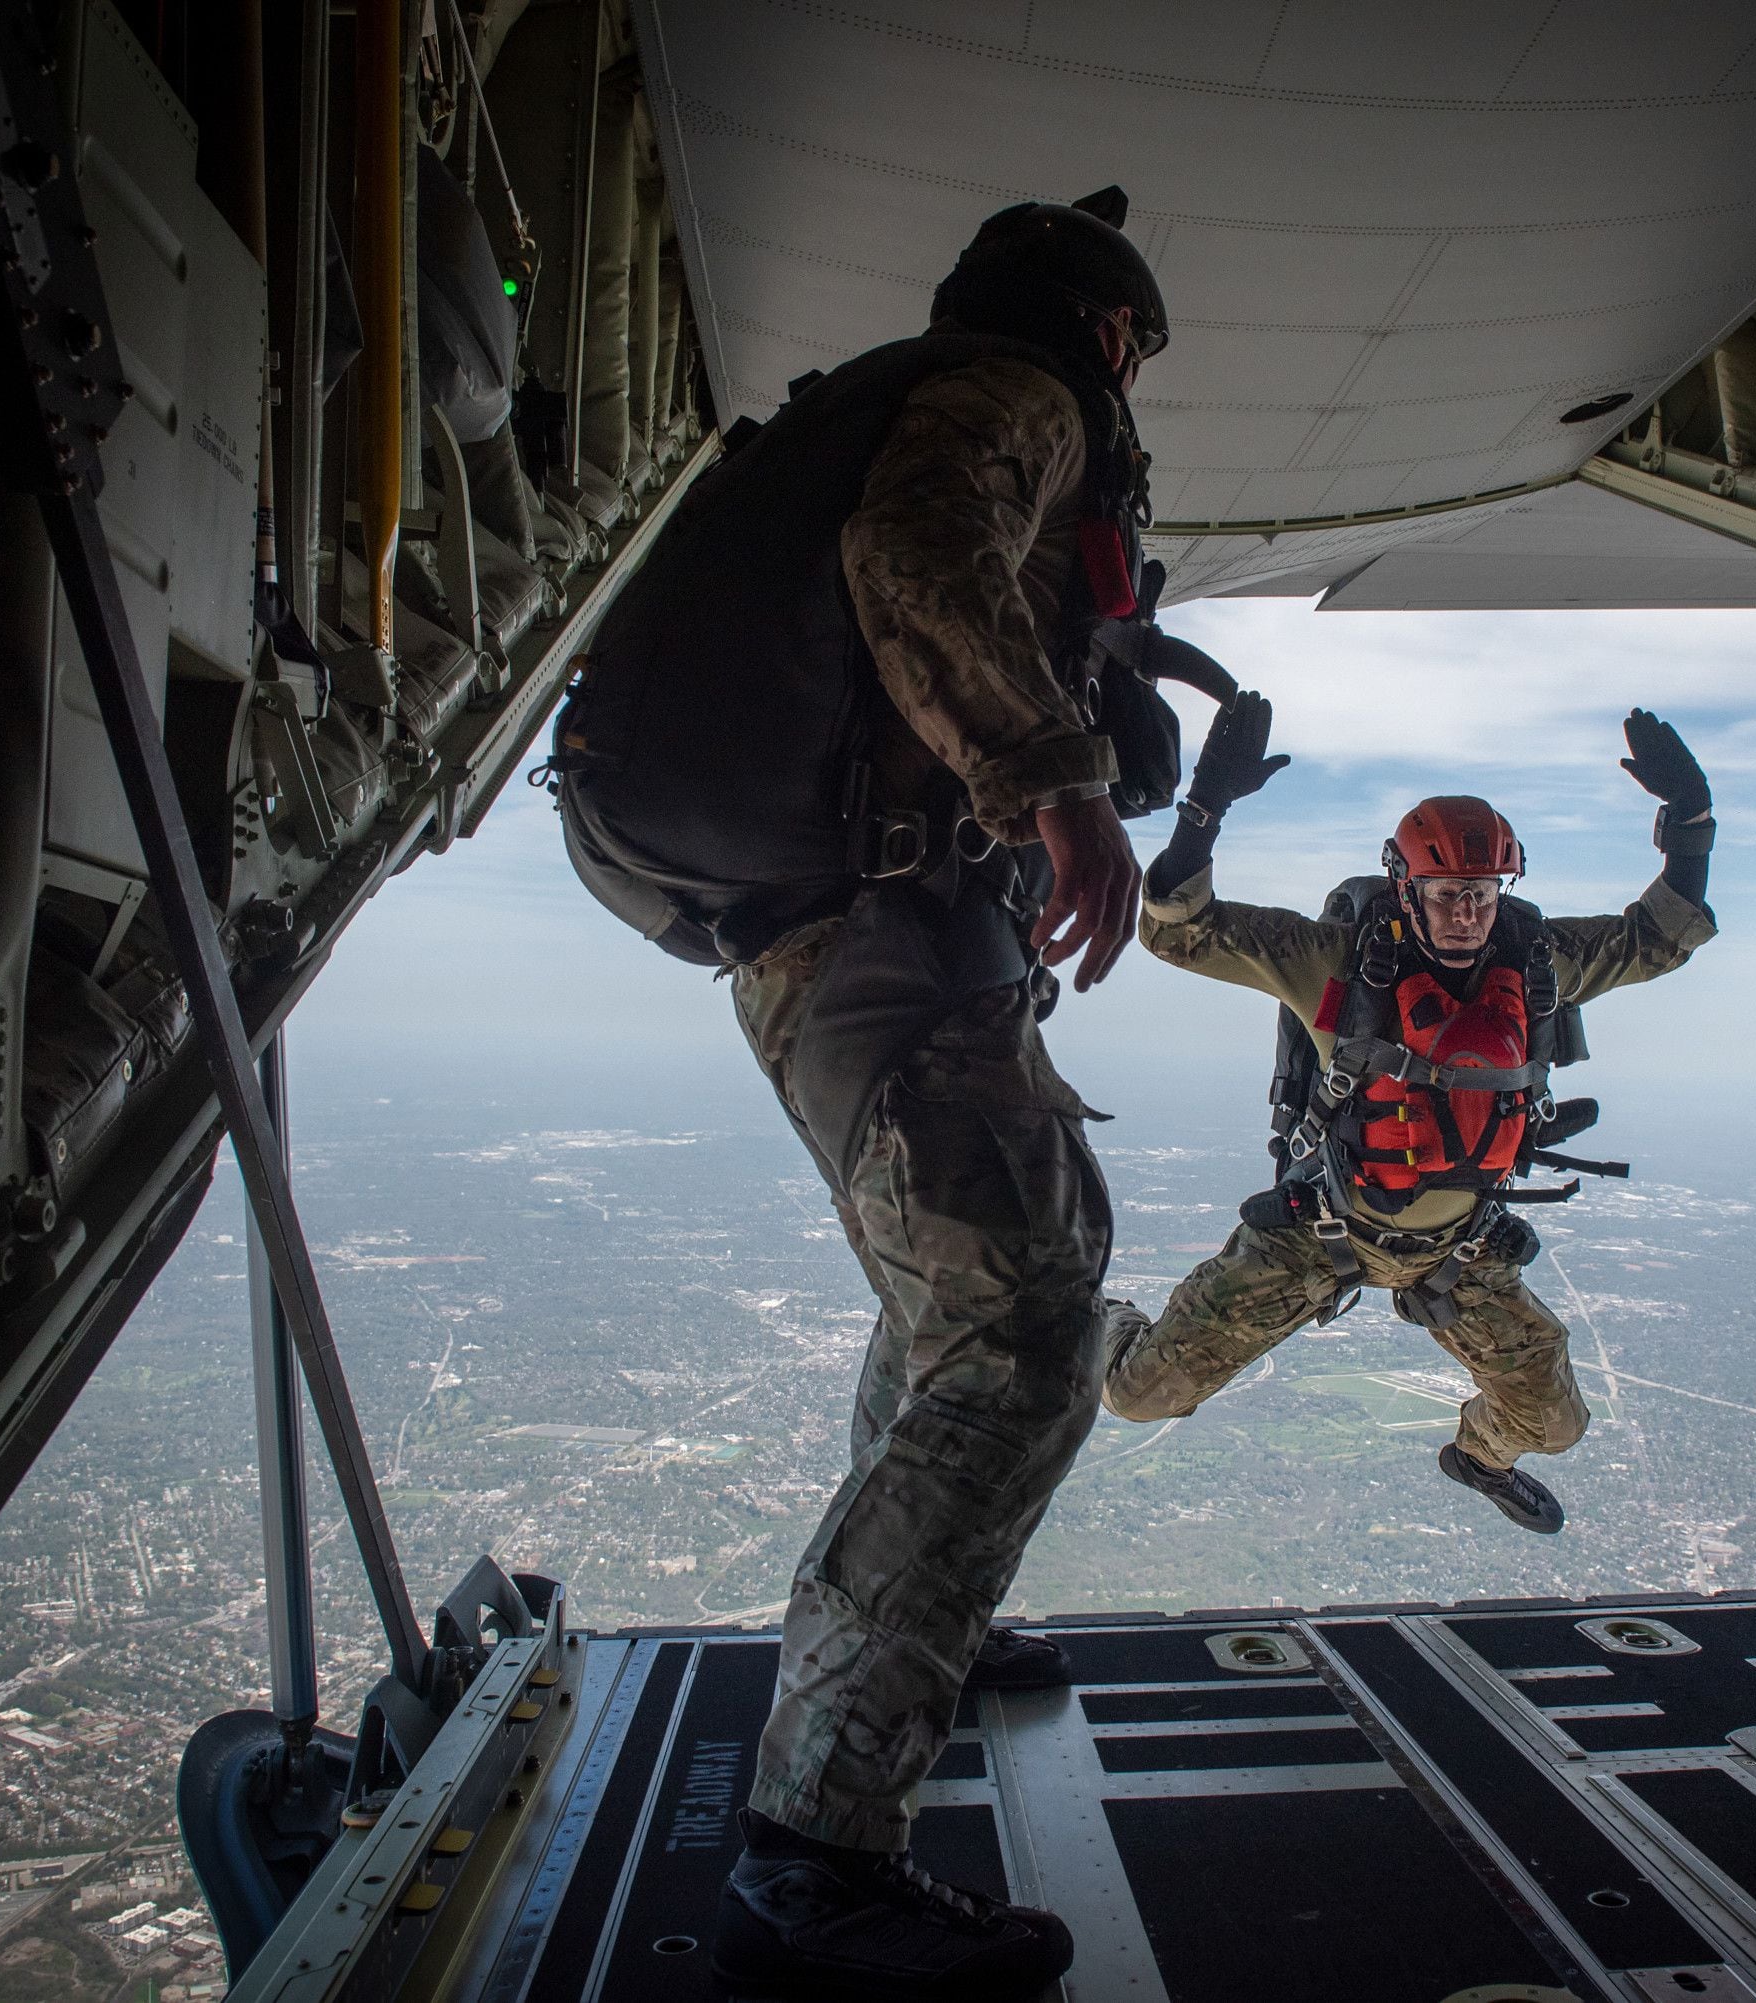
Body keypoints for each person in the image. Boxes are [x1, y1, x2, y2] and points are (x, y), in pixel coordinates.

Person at [567, 189, 1173, 2001]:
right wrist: (1057, 774)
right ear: (1103, 333)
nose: (1132, 374)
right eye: (1135, 341)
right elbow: (920, 556)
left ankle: (914, 1629)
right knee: (1029, 1330)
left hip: (835, 921)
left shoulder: (878, 392)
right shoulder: (1013, 395)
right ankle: (815, 1850)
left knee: (988, 1280)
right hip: (877, 925)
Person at [1102, 703, 1719, 1533]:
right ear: (1406, 886)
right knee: (1137, 1396)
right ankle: (1092, 1312)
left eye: (1483, 893)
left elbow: (1657, 938)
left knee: (1557, 1422)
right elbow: (1180, 933)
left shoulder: (1535, 964)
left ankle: (1479, 1456)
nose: (1468, 912)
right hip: (1320, 1230)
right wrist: (1202, 814)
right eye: (1446, 894)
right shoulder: (1334, 962)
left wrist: (1692, 822)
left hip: (1456, 1248)